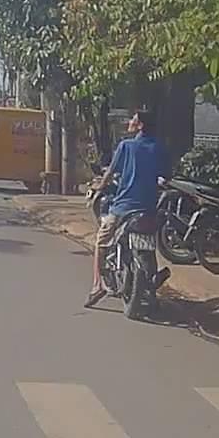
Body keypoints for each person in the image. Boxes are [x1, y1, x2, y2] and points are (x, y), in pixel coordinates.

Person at [85, 110, 170, 308]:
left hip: (123, 207)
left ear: (140, 125)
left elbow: (110, 173)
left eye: (133, 119)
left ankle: (97, 286)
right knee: (149, 245)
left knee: (101, 242)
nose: (130, 121)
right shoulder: (159, 147)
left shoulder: (126, 146)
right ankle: (150, 282)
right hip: (148, 209)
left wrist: (99, 187)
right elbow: (166, 175)